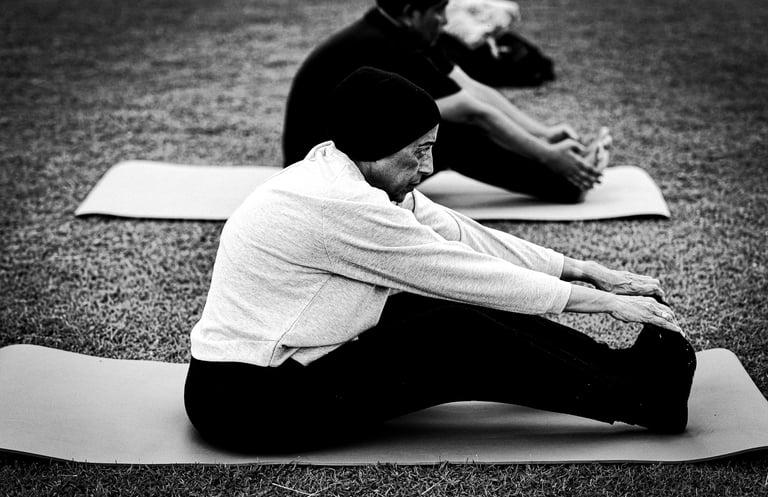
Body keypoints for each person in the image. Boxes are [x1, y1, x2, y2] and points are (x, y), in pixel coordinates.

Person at [186, 68, 696, 453]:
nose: (427, 168)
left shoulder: (347, 169)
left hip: (283, 367)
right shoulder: (342, 205)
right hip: (249, 403)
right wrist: (600, 303)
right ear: (374, 147)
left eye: (431, 150)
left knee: (446, 313)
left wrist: (586, 271)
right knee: (456, 333)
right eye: (418, 153)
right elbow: (460, 274)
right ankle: (643, 400)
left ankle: (624, 371)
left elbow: (462, 236)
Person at [282, 0, 608, 203]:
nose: (444, 19)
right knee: (449, 135)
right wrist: (549, 157)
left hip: (351, 148)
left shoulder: (405, 31)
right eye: (438, 11)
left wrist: (544, 134)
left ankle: (565, 173)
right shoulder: (385, 44)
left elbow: (473, 89)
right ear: (412, 13)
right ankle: (564, 182)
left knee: (445, 128)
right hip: (315, 167)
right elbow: (472, 112)